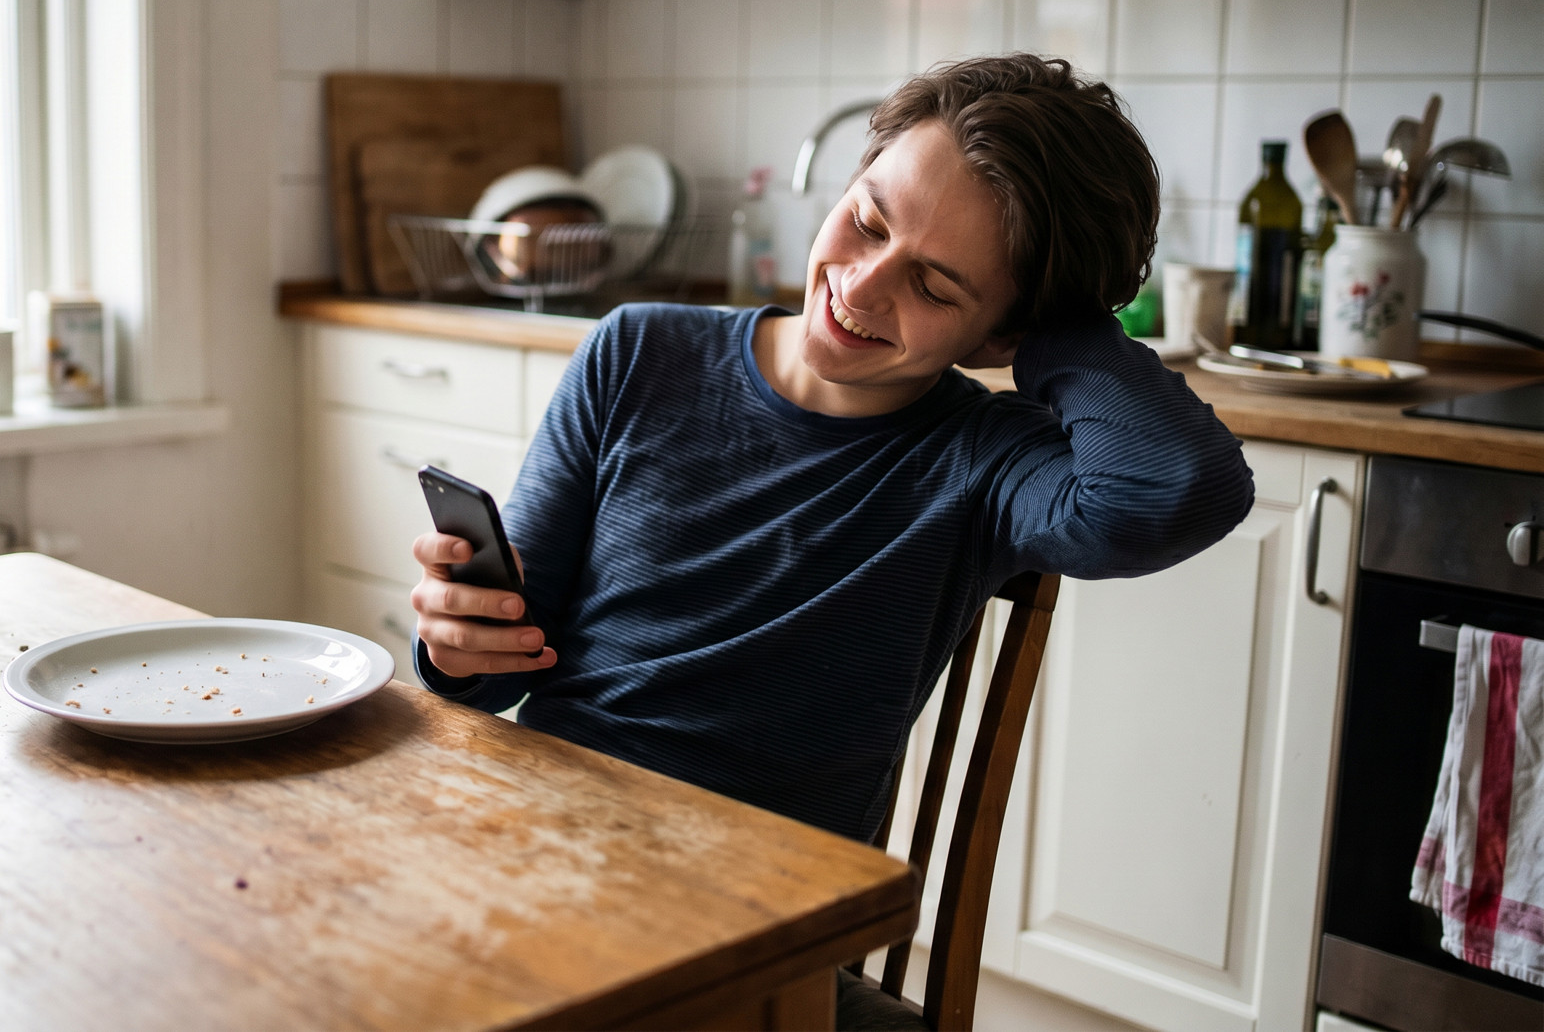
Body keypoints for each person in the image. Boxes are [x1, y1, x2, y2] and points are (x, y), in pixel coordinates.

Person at [408, 54, 1254, 848]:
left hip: (762, 907)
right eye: (866, 220)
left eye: (933, 284)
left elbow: (1178, 489)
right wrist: (455, 641)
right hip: (550, 836)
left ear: (1004, 332)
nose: (859, 286)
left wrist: (1059, 329)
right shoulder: (635, 352)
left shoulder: (987, 462)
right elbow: (493, 675)